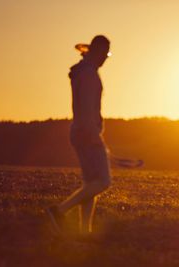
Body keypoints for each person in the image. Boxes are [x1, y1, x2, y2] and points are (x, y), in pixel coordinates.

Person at [46, 35, 112, 237]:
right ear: (97, 52)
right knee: (103, 181)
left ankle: (85, 231)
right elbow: (86, 109)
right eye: (104, 54)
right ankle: (59, 211)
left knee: (91, 183)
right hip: (87, 133)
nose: (105, 59)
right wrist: (94, 136)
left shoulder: (83, 71)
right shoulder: (89, 75)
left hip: (81, 131)